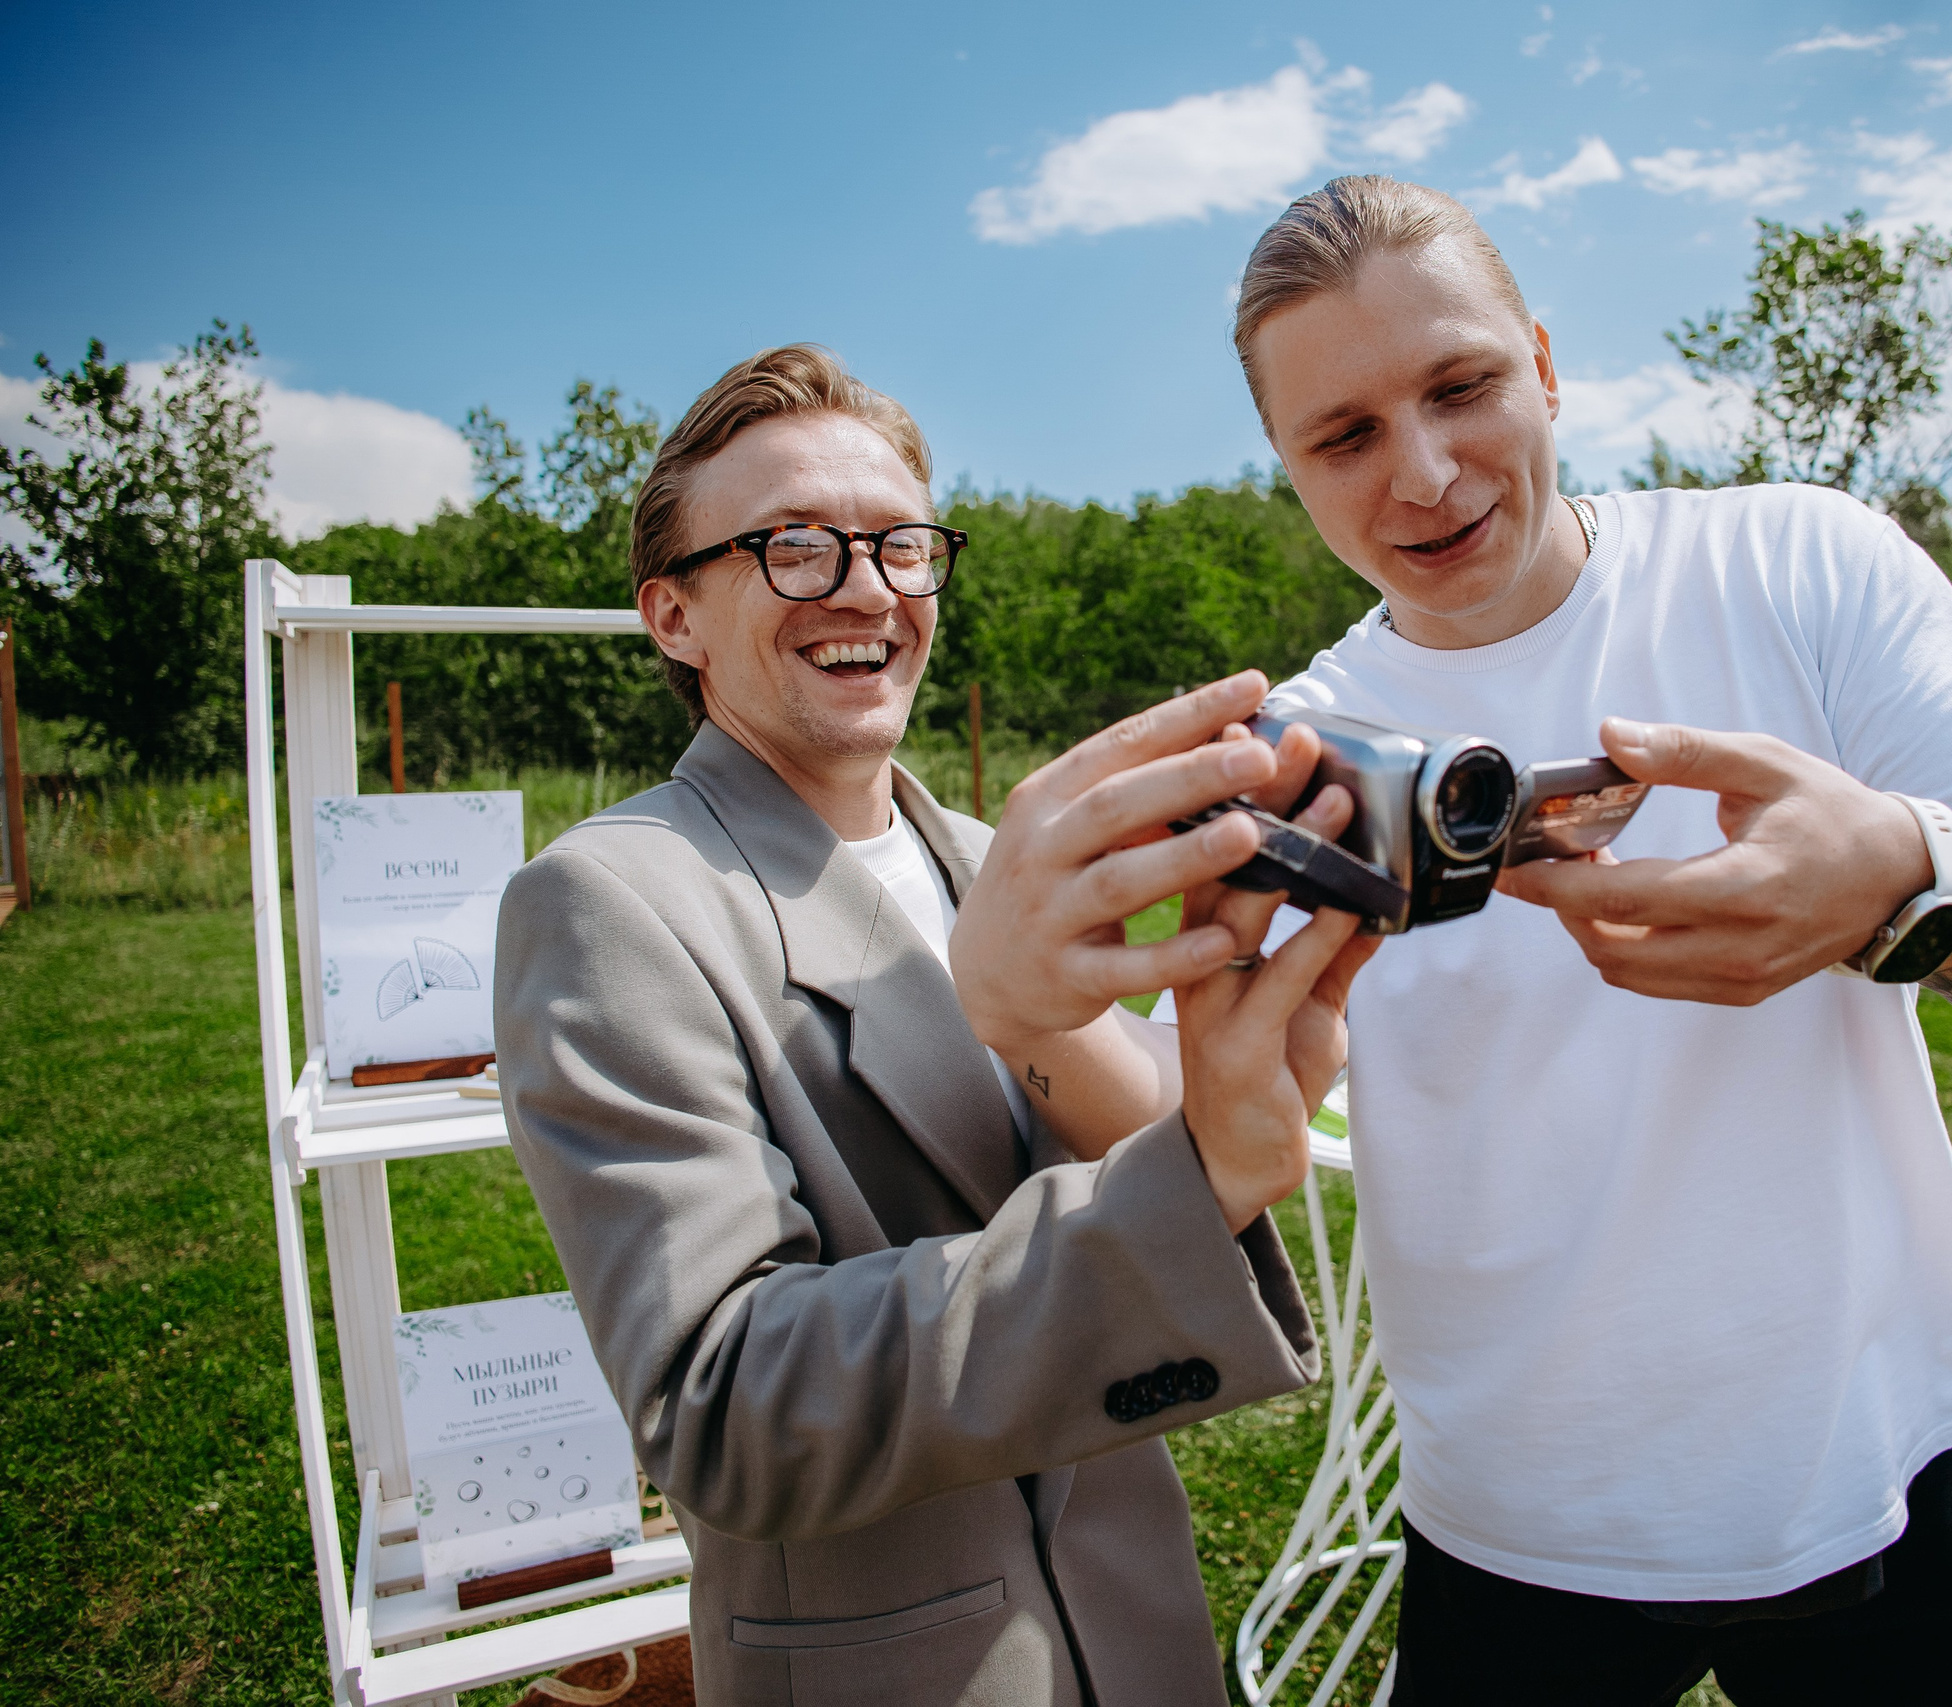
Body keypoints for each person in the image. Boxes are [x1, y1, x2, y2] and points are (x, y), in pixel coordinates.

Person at [1224, 178, 1952, 1705]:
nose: (1422, 473)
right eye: (1343, 436)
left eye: (1461, 386)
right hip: (1513, 1522)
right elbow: (1174, 1121)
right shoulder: (1304, 758)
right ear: (1291, 468)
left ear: (1544, 362)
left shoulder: (1805, 567)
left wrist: (1903, 879)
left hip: (1886, 1455)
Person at [494, 344, 1378, 1706]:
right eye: (796, 547)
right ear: (673, 615)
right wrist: (1186, 1192)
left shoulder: (990, 853)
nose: (867, 588)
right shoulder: (608, 902)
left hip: (1138, 1629)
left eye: (902, 544)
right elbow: (726, 1405)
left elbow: (1145, 1130)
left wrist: (1225, 1077)